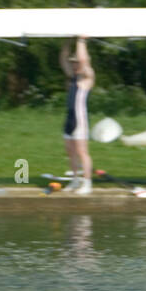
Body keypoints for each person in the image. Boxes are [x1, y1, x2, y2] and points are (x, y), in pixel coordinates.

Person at [60, 37, 96, 195]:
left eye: (77, 62)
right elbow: (62, 58)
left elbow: (84, 59)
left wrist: (81, 40)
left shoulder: (87, 77)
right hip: (69, 119)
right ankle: (75, 179)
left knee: (82, 152)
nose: (75, 64)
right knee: (70, 151)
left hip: (80, 120)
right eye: (73, 62)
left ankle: (87, 183)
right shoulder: (72, 77)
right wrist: (68, 40)